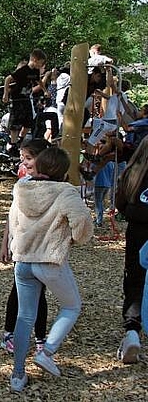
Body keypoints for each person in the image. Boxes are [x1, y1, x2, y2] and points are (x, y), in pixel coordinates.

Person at [8, 147, 93, 393]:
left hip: (22, 261)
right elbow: (82, 227)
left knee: (25, 317)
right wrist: (73, 239)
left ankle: (17, 375)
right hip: (49, 260)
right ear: (63, 170)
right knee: (72, 306)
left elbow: (14, 222)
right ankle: (47, 351)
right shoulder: (66, 191)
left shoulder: (21, 187)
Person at [0, 139, 51, 355]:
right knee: (19, 291)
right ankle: (10, 333)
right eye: (23, 159)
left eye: (28, 159)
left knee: (40, 293)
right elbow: (12, 216)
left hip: (45, 249)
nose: (24, 163)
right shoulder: (21, 185)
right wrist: (5, 243)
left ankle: (39, 336)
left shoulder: (56, 186)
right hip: (23, 248)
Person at [115, 136, 148, 363]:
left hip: (138, 231)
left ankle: (132, 329)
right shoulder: (132, 172)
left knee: (135, 277)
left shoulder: (131, 173)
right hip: (139, 229)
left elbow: (121, 204)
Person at [3, 49, 46, 150]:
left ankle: (20, 140)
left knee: (29, 121)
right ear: (34, 60)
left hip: (26, 97)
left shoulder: (35, 71)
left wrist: (45, 90)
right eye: (41, 63)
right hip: (17, 98)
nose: (41, 65)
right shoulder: (23, 70)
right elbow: (8, 79)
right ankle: (13, 143)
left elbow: (39, 80)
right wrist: (5, 94)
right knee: (16, 121)